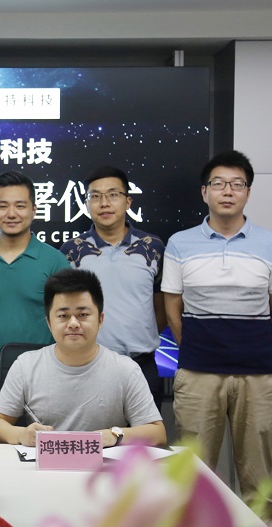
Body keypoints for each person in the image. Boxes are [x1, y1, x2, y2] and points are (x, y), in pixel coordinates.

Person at [161, 150, 272, 519]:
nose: (228, 191)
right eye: (218, 184)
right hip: (198, 374)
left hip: (258, 377)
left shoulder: (271, 244)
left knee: (258, 482)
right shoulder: (180, 243)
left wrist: (254, 350)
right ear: (205, 192)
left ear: (248, 193)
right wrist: (197, 348)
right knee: (195, 479)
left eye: (237, 184)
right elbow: (172, 306)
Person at [0, 268, 165, 447]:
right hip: (44, 464)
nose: (73, 323)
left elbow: (157, 433)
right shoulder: (26, 365)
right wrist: (22, 434)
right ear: (49, 322)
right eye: (63, 316)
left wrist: (114, 435)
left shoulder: (125, 369)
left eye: (83, 315)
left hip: (102, 464)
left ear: (100, 319)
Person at [0, 171, 71, 442]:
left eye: (20, 205)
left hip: (42, 380)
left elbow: (67, 320)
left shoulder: (54, 261)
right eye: (3, 206)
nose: (11, 213)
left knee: (41, 456)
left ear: (34, 210)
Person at [59, 166, 167, 409]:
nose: (104, 203)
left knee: (145, 433)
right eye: (95, 196)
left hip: (142, 366)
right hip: (87, 366)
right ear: (87, 204)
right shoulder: (71, 251)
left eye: (113, 195)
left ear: (128, 201)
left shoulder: (152, 247)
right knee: (90, 433)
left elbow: (162, 308)